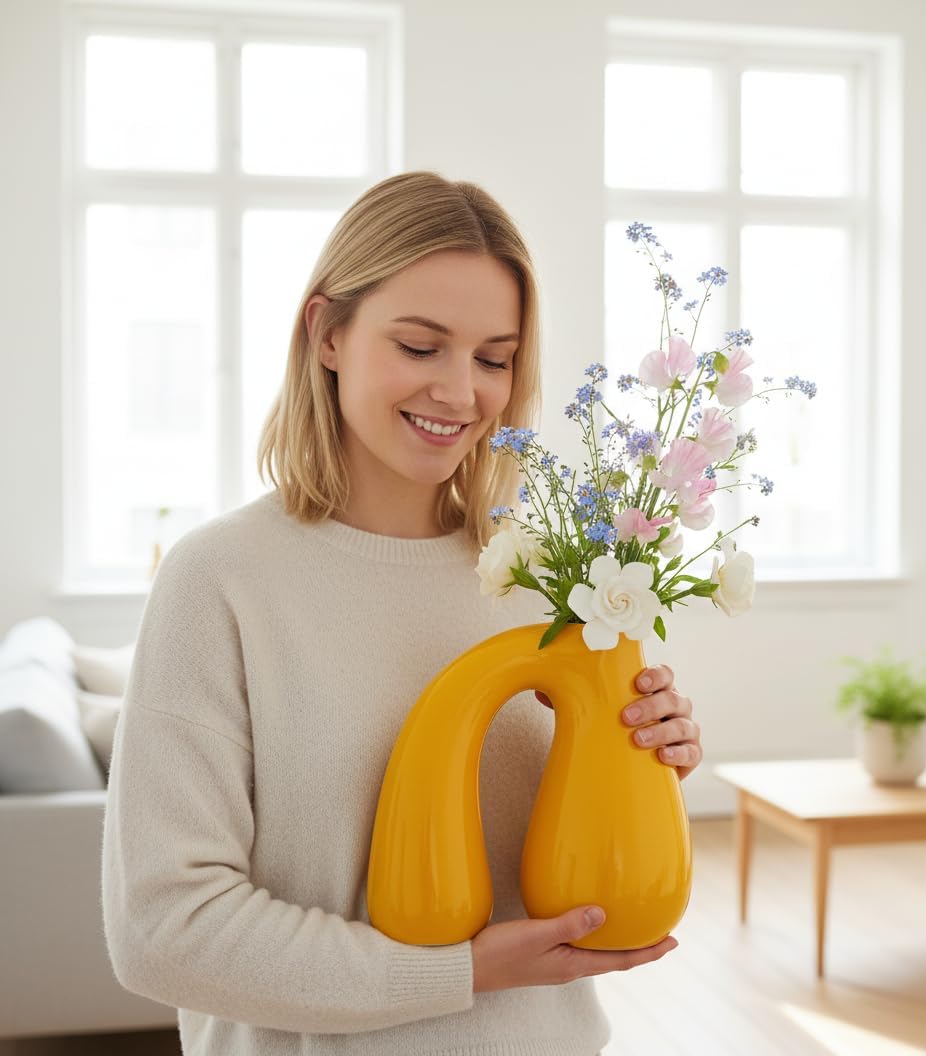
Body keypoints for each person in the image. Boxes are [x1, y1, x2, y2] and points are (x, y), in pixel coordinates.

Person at [101, 170, 703, 1056]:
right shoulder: (221, 581)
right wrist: (457, 975)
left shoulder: (547, 577)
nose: (461, 393)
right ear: (329, 333)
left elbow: (574, 856)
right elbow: (163, 929)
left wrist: (649, 758)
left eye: (494, 358)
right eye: (421, 347)